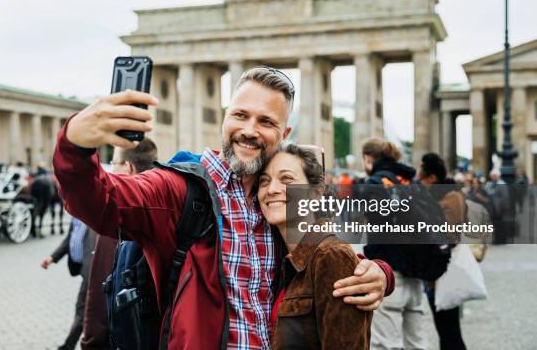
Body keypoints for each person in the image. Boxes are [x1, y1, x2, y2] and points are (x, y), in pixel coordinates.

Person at [53, 67, 394, 349]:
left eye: (266, 121)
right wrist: (75, 146)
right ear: (224, 118)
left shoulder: (277, 198)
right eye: (241, 115)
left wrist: (379, 272)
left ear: (284, 132)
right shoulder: (179, 190)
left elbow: (322, 254)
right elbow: (103, 201)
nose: (249, 131)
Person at [258, 143, 372, 349]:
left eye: (286, 179)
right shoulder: (280, 256)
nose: (272, 189)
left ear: (317, 192)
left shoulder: (331, 257)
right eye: (264, 181)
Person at [81, 139, 158, 350]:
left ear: (128, 167)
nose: (111, 168)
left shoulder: (120, 214)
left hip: (121, 336)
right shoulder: (164, 207)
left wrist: (90, 341)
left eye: (114, 162)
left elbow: (99, 288)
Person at [360, 138, 430, 350]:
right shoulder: (412, 182)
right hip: (417, 270)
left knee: (386, 343)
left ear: (368, 158)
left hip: (388, 270)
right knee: (417, 341)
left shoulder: (373, 184)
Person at [419, 152, 467, 350]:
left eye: (421, 179)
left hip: (443, 270)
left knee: (449, 331)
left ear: (432, 178)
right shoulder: (450, 194)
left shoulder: (449, 198)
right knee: (447, 331)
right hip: (439, 269)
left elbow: (445, 233)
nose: (419, 183)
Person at [41, 217, 97, 350]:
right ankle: (69, 345)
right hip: (83, 271)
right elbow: (70, 240)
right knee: (82, 310)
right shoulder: (76, 216)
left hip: (93, 274)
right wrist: (53, 257)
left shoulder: (93, 215)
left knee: (83, 310)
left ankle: (69, 346)